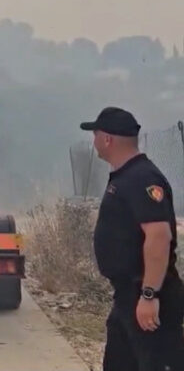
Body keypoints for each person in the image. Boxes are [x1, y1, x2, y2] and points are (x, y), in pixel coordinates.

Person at [84, 106, 183, 371]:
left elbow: (159, 237)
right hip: (127, 296)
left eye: (95, 135)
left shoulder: (142, 178)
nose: (93, 142)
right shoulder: (125, 177)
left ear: (108, 139)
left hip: (147, 295)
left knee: (156, 363)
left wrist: (149, 295)